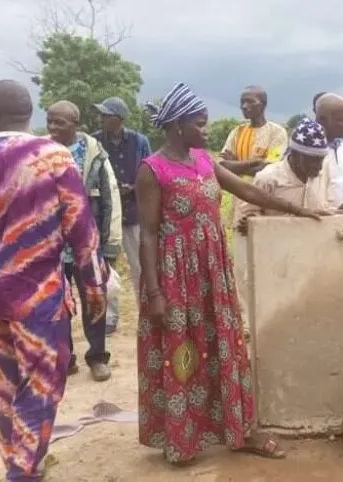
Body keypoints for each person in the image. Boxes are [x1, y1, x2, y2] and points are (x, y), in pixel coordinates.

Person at [136, 83, 326, 466]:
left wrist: (296, 210)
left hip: (213, 271)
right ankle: (182, 439)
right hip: (176, 275)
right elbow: (150, 234)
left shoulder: (204, 160)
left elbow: (245, 190)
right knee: (182, 350)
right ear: (177, 125)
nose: (206, 131)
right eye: (200, 124)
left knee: (225, 346)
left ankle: (240, 431)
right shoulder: (152, 170)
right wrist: (154, 292)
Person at [0, 80, 107, 481]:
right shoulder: (52, 157)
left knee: (6, 385)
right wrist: (94, 288)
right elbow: (82, 229)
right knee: (40, 384)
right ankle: (21, 472)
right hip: (38, 298)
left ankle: (20, 463)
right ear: (30, 114)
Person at [47, 100, 122, 381]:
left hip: (86, 242)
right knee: (56, 303)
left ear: (75, 125)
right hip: (52, 245)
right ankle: (65, 358)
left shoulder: (93, 153)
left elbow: (110, 196)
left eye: (60, 122)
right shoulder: (40, 152)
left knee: (94, 299)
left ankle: (98, 357)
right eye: (50, 121)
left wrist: (111, 243)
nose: (53, 127)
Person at [219, 85, 288, 332]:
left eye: (250, 102)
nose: (245, 107)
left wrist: (240, 166)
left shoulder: (277, 132)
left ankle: (269, 317)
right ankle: (247, 323)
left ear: (263, 104)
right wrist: (251, 165)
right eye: (242, 102)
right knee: (241, 266)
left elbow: (271, 168)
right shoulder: (237, 132)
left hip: (266, 205)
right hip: (239, 205)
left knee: (267, 263)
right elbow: (223, 164)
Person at [93, 97, 152, 333]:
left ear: (118, 119)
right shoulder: (95, 141)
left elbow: (151, 171)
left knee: (141, 267)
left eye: (106, 116)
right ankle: (109, 317)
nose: (102, 119)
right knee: (108, 268)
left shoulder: (139, 141)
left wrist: (134, 188)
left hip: (134, 212)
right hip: (106, 216)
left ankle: (146, 315)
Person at [239, 118, 333, 226]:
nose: (319, 166)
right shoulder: (268, 178)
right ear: (295, 155)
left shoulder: (322, 174)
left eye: (321, 159)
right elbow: (249, 215)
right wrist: (251, 221)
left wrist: (342, 211)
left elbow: (325, 210)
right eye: (313, 160)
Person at [315, 93, 343, 208]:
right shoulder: (308, 152)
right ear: (322, 119)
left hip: (339, 220)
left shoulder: (341, 145)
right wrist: (333, 209)